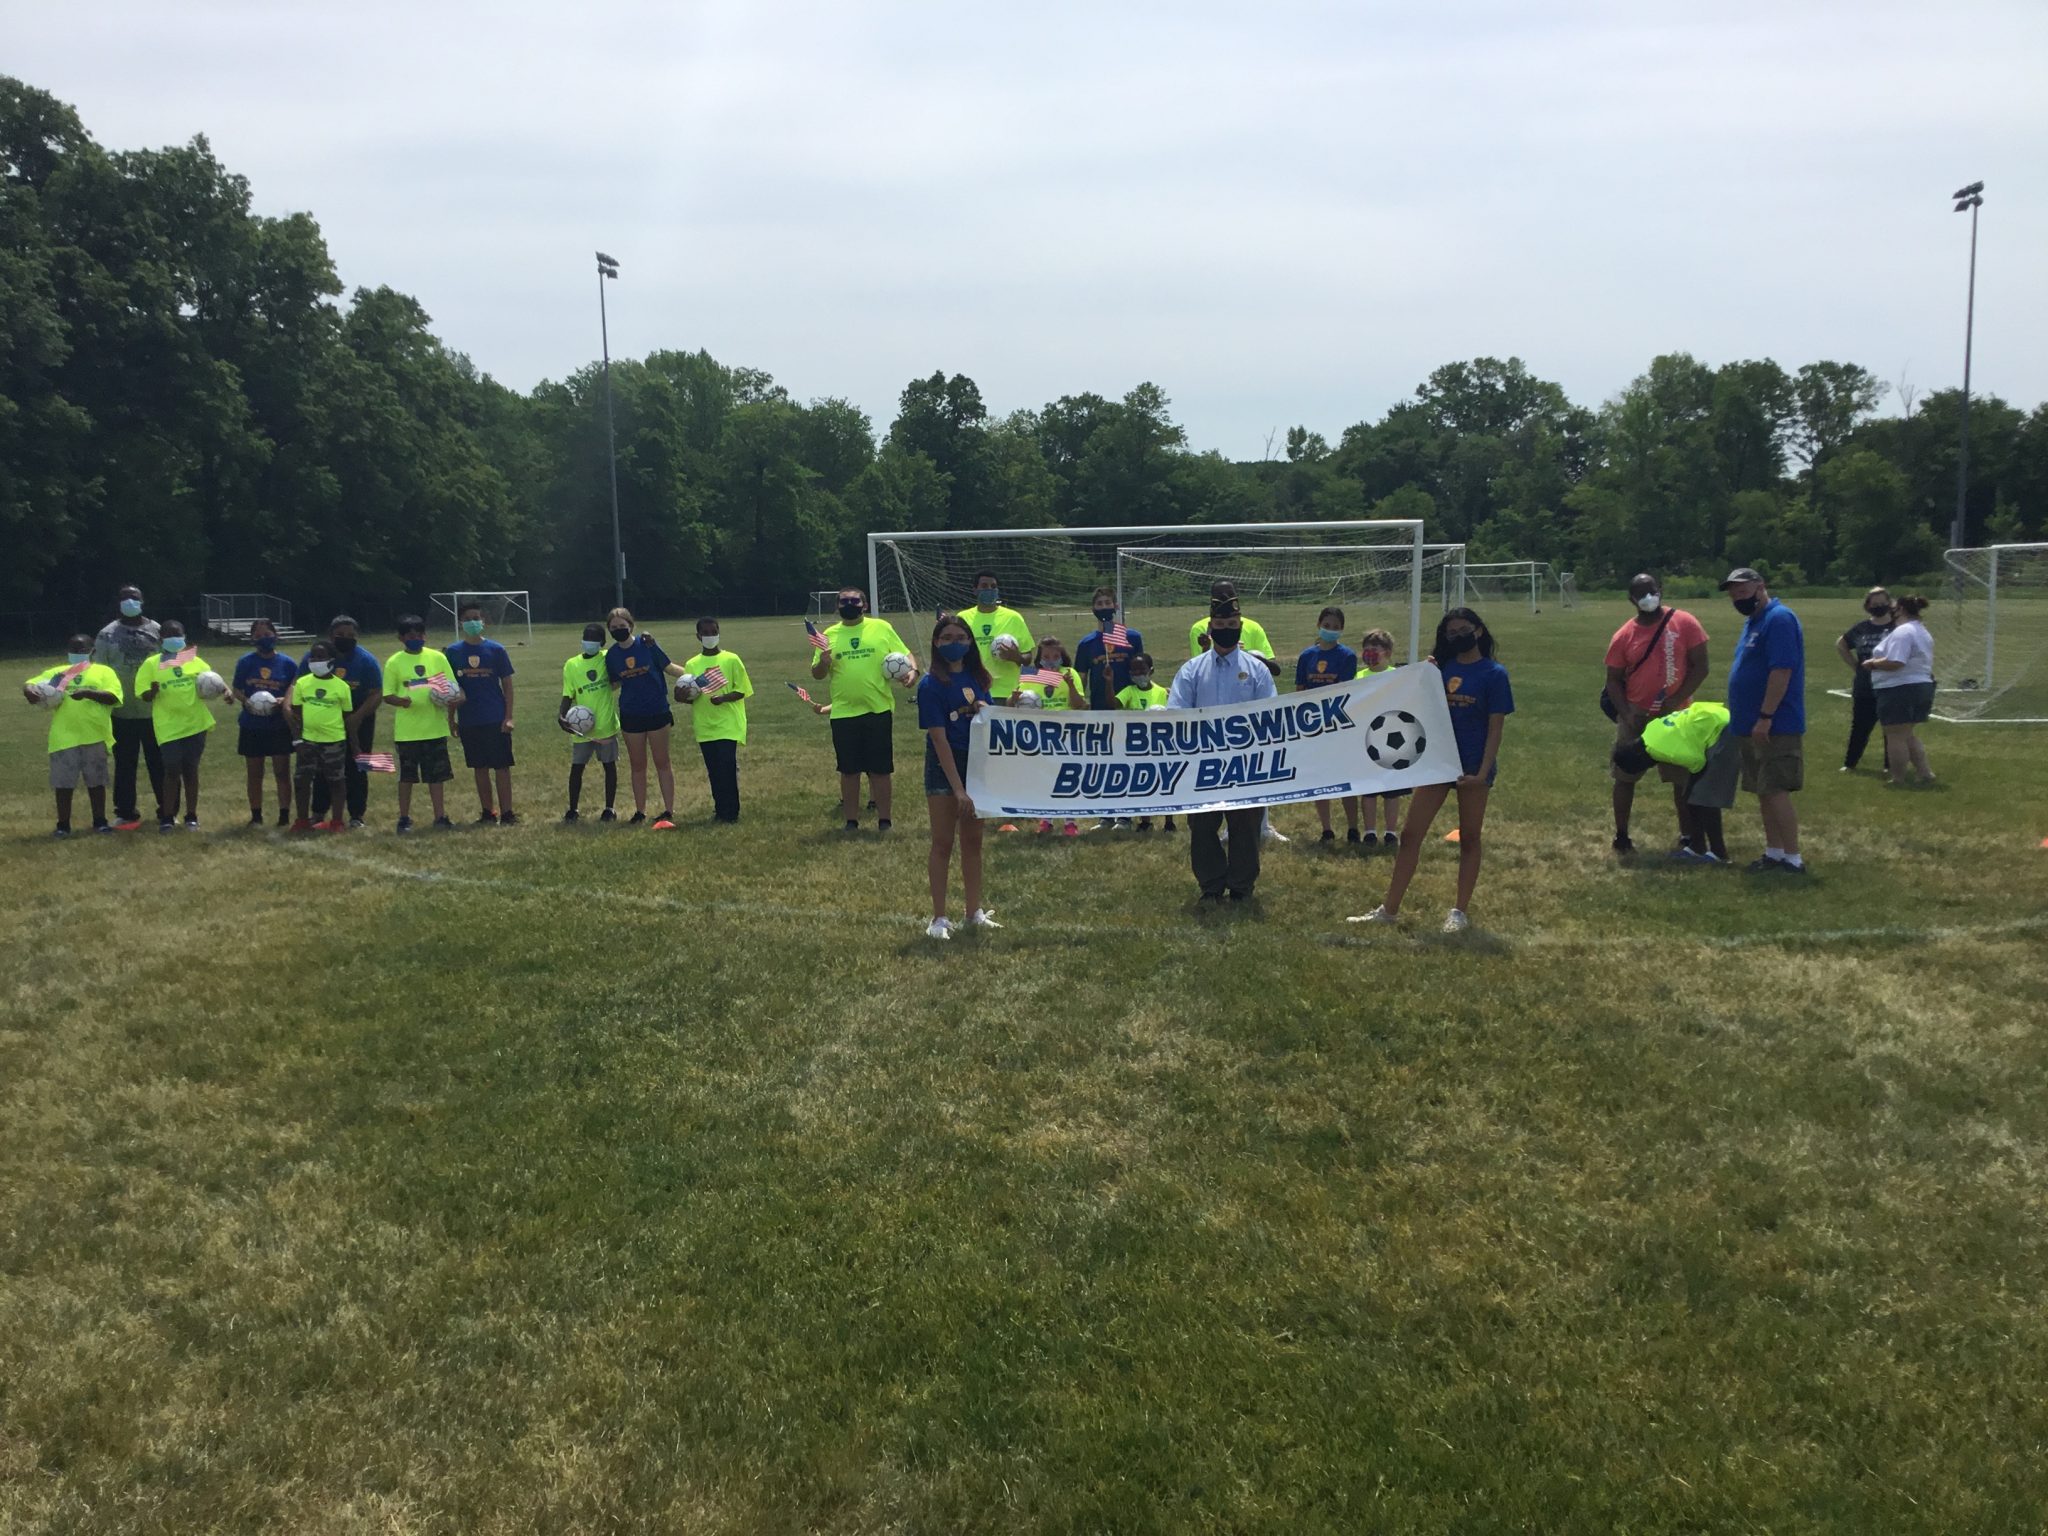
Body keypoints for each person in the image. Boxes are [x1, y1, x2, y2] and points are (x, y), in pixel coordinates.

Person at [1357, 608, 1511, 933]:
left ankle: (1459, 912)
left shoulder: (1494, 674)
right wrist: (1423, 674)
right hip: (1438, 763)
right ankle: (1390, 909)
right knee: (1411, 835)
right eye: (1451, 632)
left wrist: (1482, 773)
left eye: (1463, 630)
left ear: (1479, 631)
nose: (1458, 637)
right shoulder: (1440, 669)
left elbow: (1495, 728)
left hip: (1472, 765)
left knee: (1470, 839)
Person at [1167, 599, 1278, 903]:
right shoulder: (1191, 670)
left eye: (1232, 625)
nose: (1226, 630)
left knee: (1246, 827)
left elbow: (1270, 714)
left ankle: (1242, 887)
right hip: (1203, 763)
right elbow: (1176, 712)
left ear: (1240, 627)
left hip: (1245, 762)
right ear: (1210, 628)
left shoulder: (1257, 670)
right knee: (1202, 826)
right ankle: (1211, 885)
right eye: (1220, 625)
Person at [1604, 573, 1710, 856]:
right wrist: (1626, 714)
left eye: (1651, 590)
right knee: (1625, 776)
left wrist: (1676, 699)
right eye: (1640, 594)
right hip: (1637, 714)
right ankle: (1622, 835)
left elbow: (1701, 666)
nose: (1647, 597)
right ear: (1631, 600)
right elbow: (1612, 679)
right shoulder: (1624, 635)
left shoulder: (1685, 623)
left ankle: (1688, 836)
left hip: (1676, 714)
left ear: (1660, 590)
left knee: (1681, 778)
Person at [1720, 567, 1807, 874]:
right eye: (1733, 593)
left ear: (1760, 586)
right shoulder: (1753, 623)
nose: (1737, 597)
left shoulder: (1779, 619)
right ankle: (1774, 852)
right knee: (1763, 789)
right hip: (1750, 724)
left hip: (1774, 723)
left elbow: (1781, 671)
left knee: (1776, 788)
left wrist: (1766, 716)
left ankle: (1793, 858)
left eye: (1742, 591)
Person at [918, 613, 999, 939]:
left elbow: (992, 721)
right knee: (943, 842)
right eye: (948, 638)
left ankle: (972, 912)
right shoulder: (930, 684)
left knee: (973, 841)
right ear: (937, 643)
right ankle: (939, 918)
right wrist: (959, 790)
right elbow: (939, 739)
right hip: (944, 766)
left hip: (976, 763)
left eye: (961, 638)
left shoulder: (978, 678)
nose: (955, 643)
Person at [809, 586, 914, 832]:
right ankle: (851, 821)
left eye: (854, 601)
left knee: (880, 769)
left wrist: (913, 671)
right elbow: (816, 674)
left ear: (864, 605)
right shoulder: (828, 635)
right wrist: (823, 664)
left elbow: (905, 655)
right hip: (844, 712)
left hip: (878, 709)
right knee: (849, 770)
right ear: (837, 606)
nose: (848, 604)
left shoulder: (882, 628)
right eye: (843, 601)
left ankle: (885, 820)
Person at [23, 634, 122, 837]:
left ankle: (100, 821)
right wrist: (30, 691)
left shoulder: (104, 672)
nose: (77, 654)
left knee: (96, 782)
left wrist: (88, 692)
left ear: (92, 651)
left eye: (82, 650)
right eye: (74, 651)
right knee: (63, 784)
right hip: (64, 737)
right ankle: (63, 825)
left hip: (95, 735)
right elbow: (31, 684)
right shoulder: (59, 673)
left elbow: (114, 697)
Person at [1611, 700, 1732, 863]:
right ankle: (1697, 847)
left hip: (1722, 729)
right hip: (1710, 716)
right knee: (1690, 796)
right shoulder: (1650, 733)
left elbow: (1697, 762)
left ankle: (1719, 854)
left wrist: (1694, 790)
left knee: (1703, 798)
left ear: (1639, 760)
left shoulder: (1662, 750)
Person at [604, 606, 688, 827]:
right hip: (631, 714)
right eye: (614, 628)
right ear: (609, 630)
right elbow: (614, 683)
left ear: (631, 626)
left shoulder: (648, 644)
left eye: (622, 626)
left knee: (662, 762)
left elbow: (668, 668)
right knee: (637, 765)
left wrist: (694, 676)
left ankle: (668, 810)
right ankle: (640, 811)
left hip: (657, 710)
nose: (618, 630)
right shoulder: (612, 655)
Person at [131, 620, 216, 832]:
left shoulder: (192, 660)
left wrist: (225, 692)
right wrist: (152, 691)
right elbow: (143, 695)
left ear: (184, 636)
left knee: (191, 771)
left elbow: (211, 682)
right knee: (170, 770)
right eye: (168, 635)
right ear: (161, 639)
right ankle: (167, 816)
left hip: (195, 724)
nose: (173, 638)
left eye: (177, 634)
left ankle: (191, 815)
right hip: (168, 726)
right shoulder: (152, 664)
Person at [93, 584, 164, 829]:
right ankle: (125, 811)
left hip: (155, 711)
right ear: (118, 603)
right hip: (121, 711)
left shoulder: (157, 630)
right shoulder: (107, 634)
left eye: (134, 598)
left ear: (142, 601)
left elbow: (171, 663)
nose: (130, 602)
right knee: (125, 764)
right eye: (125, 598)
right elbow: (99, 671)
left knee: (160, 763)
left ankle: (167, 809)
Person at [382, 615, 460, 833]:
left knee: (436, 776)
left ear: (425, 636)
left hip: (434, 728)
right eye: (410, 635)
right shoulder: (394, 662)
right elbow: (387, 695)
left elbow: (451, 688)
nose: (415, 638)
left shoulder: (437, 658)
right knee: (407, 777)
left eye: (419, 635)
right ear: (401, 638)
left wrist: (450, 713)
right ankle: (404, 818)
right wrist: (401, 701)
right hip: (408, 732)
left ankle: (440, 816)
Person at [302, 615, 381, 829]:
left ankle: (356, 814)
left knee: (358, 764)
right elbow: (299, 684)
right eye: (340, 635)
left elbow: (376, 693)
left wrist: (358, 716)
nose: (346, 639)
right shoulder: (317, 657)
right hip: (324, 719)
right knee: (322, 767)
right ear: (330, 636)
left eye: (351, 636)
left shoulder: (366, 660)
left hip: (359, 719)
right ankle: (319, 812)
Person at [1296, 606, 1361, 844]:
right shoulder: (1306, 656)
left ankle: (1353, 828)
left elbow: (1345, 691)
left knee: (1345, 779)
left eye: (1335, 627)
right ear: (1319, 624)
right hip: (1313, 726)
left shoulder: (1347, 656)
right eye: (1327, 625)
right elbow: (1300, 691)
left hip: (1337, 724)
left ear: (1341, 630)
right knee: (1320, 779)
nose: (1330, 630)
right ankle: (1326, 829)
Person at [449, 601, 518, 824]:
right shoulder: (452, 652)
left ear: (484, 622)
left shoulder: (496, 650)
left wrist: (508, 716)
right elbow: (450, 688)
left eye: (476, 618)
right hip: (469, 719)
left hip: (495, 716)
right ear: (461, 623)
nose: (472, 623)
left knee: (501, 766)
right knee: (479, 767)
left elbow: (507, 685)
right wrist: (451, 719)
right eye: (467, 619)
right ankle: (488, 812)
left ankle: (507, 813)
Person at [679, 616, 754, 823]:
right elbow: (689, 694)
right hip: (705, 725)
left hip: (728, 724)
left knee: (727, 767)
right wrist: (682, 695)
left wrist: (723, 698)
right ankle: (720, 809)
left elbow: (742, 690)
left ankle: (732, 812)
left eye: (714, 632)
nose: (710, 636)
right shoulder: (692, 664)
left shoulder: (731, 659)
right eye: (706, 633)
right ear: (698, 636)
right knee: (713, 770)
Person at [230, 617, 297, 827]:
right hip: (252, 724)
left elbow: (294, 689)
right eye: (258, 636)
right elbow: (237, 689)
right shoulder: (246, 662)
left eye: (267, 634)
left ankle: (284, 814)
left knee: (282, 771)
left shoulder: (287, 663)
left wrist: (283, 700)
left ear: (275, 635)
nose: (264, 639)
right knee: (255, 773)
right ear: (252, 638)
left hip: (278, 724)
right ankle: (256, 816)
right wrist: (248, 702)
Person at [1865, 593, 1937, 786]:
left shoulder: (1903, 632)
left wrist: (1872, 663)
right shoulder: (1921, 631)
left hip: (1900, 688)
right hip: (1920, 686)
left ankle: (1898, 778)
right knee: (1907, 734)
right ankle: (1925, 773)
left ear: (1901, 610)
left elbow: (1896, 661)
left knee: (1895, 735)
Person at [1021, 635, 1085, 836]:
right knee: (1045, 776)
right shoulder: (1031, 674)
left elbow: (1079, 704)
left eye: (1055, 656)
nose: (1051, 660)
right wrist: (1014, 698)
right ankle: (1046, 818)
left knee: (1067, 777)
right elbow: (1015, 703)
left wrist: (1071, 685)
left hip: (1067, 733)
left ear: (1062, 656)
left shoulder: (1070, 673)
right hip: (1042, 733)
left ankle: (1070, 820)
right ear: (1039, 657)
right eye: (1046, 656)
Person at [286, 643, 353, 833]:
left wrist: (353, 744)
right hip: (308, 740)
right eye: (313, 657)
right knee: (302, 780)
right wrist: (297, 739)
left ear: (331, 661)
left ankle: (337, 821)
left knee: (336, 781)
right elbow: (296, 713)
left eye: (320, 657)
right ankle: (301, 820)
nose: (315, 661)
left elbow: (347, 715)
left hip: (334, 740)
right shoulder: (303, 683)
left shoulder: (341, 687)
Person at [559, 623, 620, 822]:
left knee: (609, 766)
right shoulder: (571, 664)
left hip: (605, 725)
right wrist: (562, 715)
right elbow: (568, 694)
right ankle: (573, 809)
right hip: (581, 728)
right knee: (577, 767)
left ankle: (609, 808)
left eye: (594, 639)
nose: (589, 641)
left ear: (602, 643)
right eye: (586, 637)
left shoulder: (607, 658)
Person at [1837, 588, 1896, 773]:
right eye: (1875, 603)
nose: (1879, 606)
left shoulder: (1897, 627)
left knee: (1891, 727)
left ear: (1889, 603)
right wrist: (1855, 665)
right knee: (1860, 727)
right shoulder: (1861, 628)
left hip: (1891, 685)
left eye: (1882, 602)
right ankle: (1850, 763)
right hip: (1865, 685)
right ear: (1868, 606)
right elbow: (1841, 643)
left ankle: (1891, 765)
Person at [1114, 652, 1174, 832]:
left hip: (1160, 744)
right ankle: (1145, 820)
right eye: (1134, 671)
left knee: (1165, 782)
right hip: (1137, 745)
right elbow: (1113, 704)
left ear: (1151, 671)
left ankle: (1169, 820)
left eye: (1142, 670)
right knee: (1142, 782)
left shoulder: (1162, 692)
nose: (1138, 674)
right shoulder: (1129, 691)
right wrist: (1109, 682)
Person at [1356, 628, 1405, 850]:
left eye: (1374, 649)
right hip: (1367, 739)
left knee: (1391, 790)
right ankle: (1369, 831)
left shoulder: (1398, 676)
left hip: (1393, 739)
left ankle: (1391, 831)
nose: (1369, 653)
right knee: (1368, 789)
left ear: (1387, 652)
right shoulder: (1359, 677)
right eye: (1366, 649)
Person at [960, 572, 1033, 702]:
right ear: (975, 590)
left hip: (1007, 693)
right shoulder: (963, 618)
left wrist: (1017, 657)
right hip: (972, 690)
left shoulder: (1013, 618)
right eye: (984, 586)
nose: (989, 590)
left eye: (993, 587)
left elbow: (1028, 658)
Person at [1074, 587, 1144, 711]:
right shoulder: (1086, 644)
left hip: (1129, 707)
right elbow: (1082, 679)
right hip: (1099, 707)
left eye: (1107, 603)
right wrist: (1080, 704)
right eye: (1099, 604)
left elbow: (1141, 670)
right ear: (1093, 609)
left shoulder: (1133, 638)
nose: (1104, 607)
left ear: (1115, 606)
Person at [1188, 580, 1276, 670]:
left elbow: (1272, 667)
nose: (1225, 598)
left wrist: (1245, 655)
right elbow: (1198, 669)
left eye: (1229, 595)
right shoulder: (1199, 629)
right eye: (1219, 624)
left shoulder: (1254, 627)